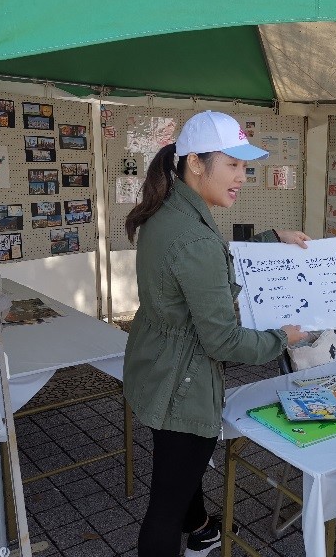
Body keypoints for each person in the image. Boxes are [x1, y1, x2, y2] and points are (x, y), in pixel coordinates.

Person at [123, 110, 309, 557]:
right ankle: (191, 531)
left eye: (245, 166)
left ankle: (203, 529)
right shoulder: (193, 236)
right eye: (233, 164)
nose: (242, 176)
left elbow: (212, 263)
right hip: (182, 385)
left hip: (155, 368)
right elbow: (223, 341)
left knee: (177, 470)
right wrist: (284, 338)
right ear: (195, 163)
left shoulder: (169, 213)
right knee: (165, 505)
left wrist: (270, 238)